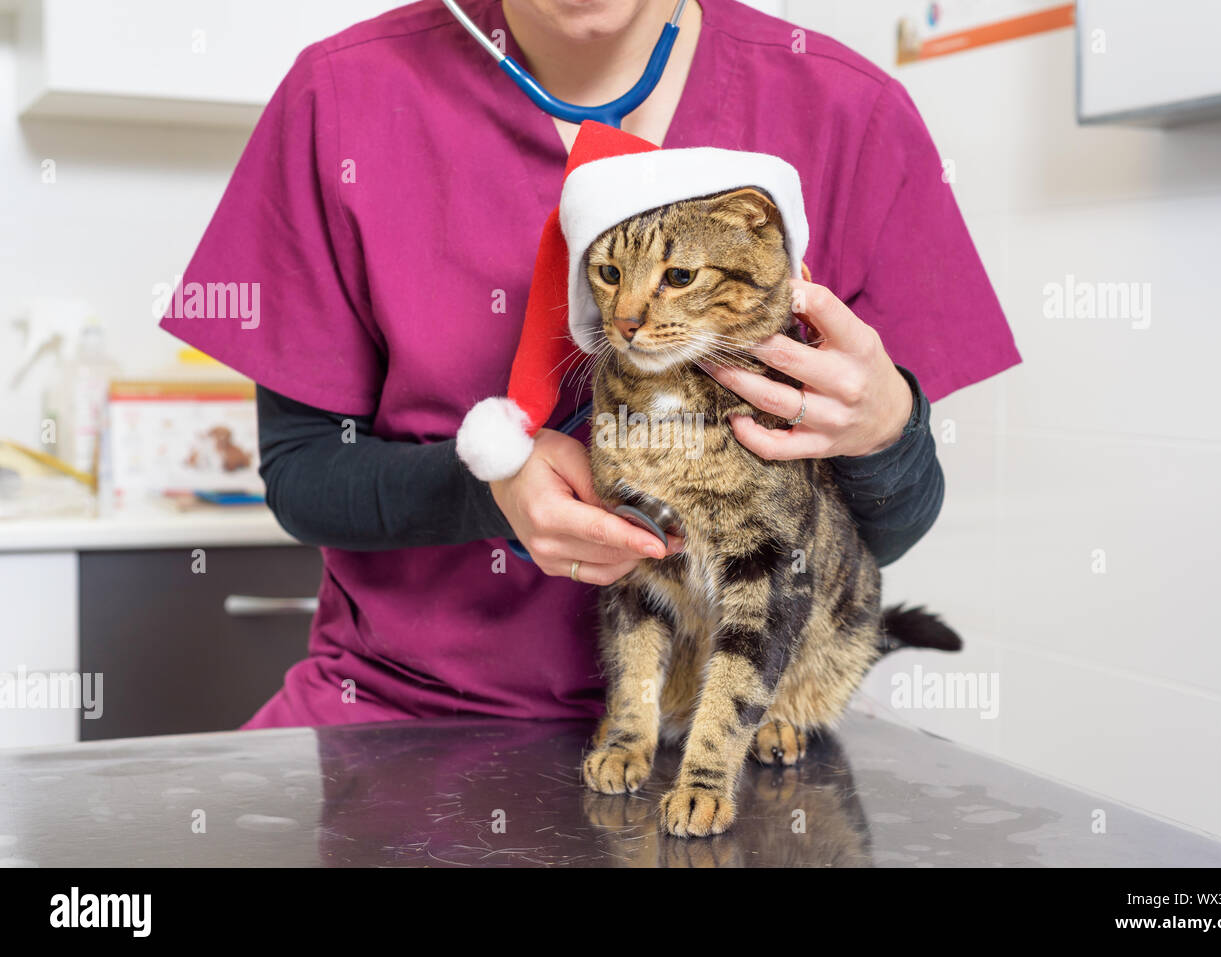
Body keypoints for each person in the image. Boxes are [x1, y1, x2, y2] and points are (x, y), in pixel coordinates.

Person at [159, 0, 1020, 730]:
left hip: (717, 730)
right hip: (406, 717)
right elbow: (303, 475)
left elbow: (889, 530)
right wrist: (489, 489)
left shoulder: (848, 113)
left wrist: (888, 434)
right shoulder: (340, 97)